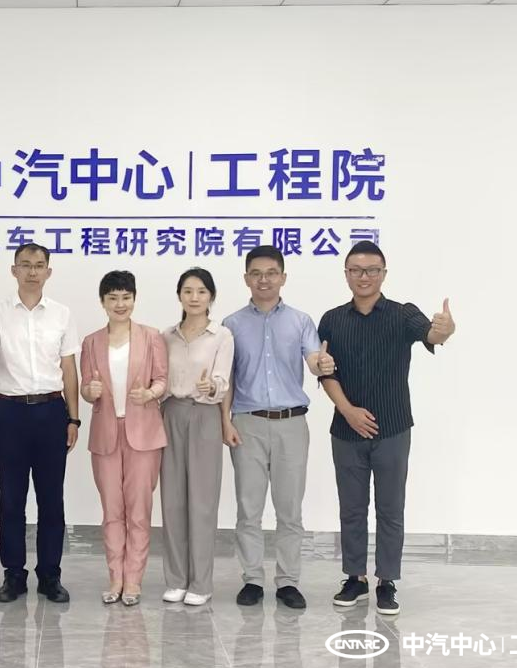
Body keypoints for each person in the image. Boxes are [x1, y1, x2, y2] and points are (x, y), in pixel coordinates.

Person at [318, 240, 455, 615]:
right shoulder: (332, 319)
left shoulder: (402, 314)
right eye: (356, 270)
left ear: (383, 274)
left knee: (391, 509)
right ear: (346, 274)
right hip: (346, 430)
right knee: (351, 508)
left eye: (372, 270)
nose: (363, 277)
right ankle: (355, 578)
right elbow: (325, 372)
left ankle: (387, 582)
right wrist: (348, 411)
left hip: (392, 428)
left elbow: (431, 335)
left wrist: (445, 330)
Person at [221, 245, 335, 610]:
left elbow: (313, 359)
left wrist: (321, 363)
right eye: (256, 273)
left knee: (290, 510)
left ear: (283, 277)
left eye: (271, 273)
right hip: (247, 424)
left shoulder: (300, 321)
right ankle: (253, 579)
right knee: (248, 508)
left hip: (291, 424)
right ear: (246, 279)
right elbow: (227, 379)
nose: (264, 280)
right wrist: (225, 421)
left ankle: (288, 582)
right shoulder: (231, 325)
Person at [0, 243, 81, 604]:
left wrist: (74, 417)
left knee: (52, 498)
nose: (32, 272)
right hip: (11, 412)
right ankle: (13, 575)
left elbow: (69, 369)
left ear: (48, 272)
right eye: (25, 265)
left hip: (52, 411)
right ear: (14, 270)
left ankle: (50, 575)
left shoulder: (62, 314)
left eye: (39, 265)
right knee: (11, 497)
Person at [79, 270, 168, 607]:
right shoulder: (91, 342)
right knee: (112, 511)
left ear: (134, 299)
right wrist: (89, 390)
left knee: (139, 511)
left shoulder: (151, 336)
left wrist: (150, 394)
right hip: (105, 433)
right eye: (113, 298)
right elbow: (86, 387)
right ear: (102, 302)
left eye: (126, 297)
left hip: (143, 433)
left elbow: (162, 380)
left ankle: (133, 580)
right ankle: (115, 577)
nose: (120, 304)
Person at [159, 268, 234, 606]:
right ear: (179, 295)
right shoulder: (166, 336)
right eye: (188, 291)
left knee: (202, 502)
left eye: (201, 291)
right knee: (172, 500)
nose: (194, 297)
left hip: (205, 415)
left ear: (211, 297)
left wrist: (210, 386)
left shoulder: (222, 336)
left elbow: (223, 380)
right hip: (170, 414)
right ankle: (176, 579)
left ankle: (201, 583)